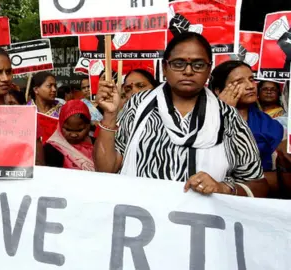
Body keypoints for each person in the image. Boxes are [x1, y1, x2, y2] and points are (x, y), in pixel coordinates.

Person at [94, 32, 268, 197]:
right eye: (178, 63)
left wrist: (223, 188)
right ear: (164, 67)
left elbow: (258, 186)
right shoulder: (139, 105)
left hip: (200, 225)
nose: (188, 71)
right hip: (142, 220)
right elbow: (106, 169)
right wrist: (110, 115)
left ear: (209, 69)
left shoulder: (227, 116)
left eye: (198, 65)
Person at [210, 61, 284, 196]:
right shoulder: (205, 123)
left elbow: (279, 177)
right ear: (219, 91)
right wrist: (224, 113)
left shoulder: (271, 125)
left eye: (251, 79)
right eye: (239, 82)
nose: (250, 86)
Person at [45, 100, 94, 171]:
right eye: (68, 129)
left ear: (88, 126)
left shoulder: (96, 144)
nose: (73, 135)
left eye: (79, 130)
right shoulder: (51, 149)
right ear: (60, 125)